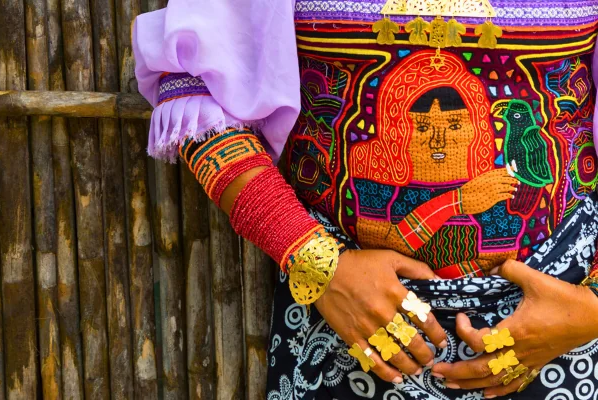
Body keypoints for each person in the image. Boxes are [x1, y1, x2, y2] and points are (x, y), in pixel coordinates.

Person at [133, 0, 598, 398]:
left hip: (561, 322)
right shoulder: (378, 183)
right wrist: (317, 262)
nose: (438, 135)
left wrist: (588, 310)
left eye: (455, 123)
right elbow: (193, 85)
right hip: (346, 328)